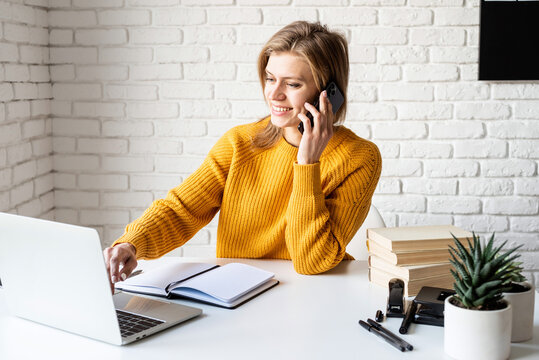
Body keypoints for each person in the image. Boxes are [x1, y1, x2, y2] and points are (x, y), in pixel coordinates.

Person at [104, 21, 382, 286]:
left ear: (327, 93)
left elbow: (311, 261)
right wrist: (132, 243)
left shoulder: (359, 158)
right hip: (238, 295)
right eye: (270, 78)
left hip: (314, 296)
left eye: (293, 84)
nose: (274, 94)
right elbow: (182, 209)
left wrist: (307, 163)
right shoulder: (239, 143)